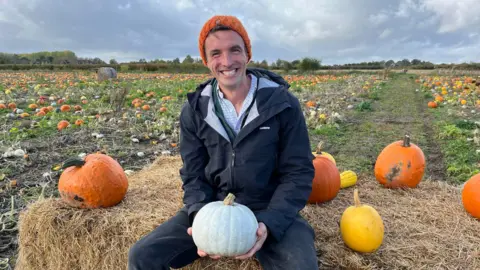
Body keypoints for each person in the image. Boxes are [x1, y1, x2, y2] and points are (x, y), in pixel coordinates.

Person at [128, 15, 318, 270]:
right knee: (141, 256)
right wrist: (201, 217)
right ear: (206, 61)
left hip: (268, 206)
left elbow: (298, 172)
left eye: (235, 50)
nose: (227, 62)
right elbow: (193, 175)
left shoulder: (282, 105)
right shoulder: (195, 110)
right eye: (216, 53)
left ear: (247, 54)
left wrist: (271, 222)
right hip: (214, 206)